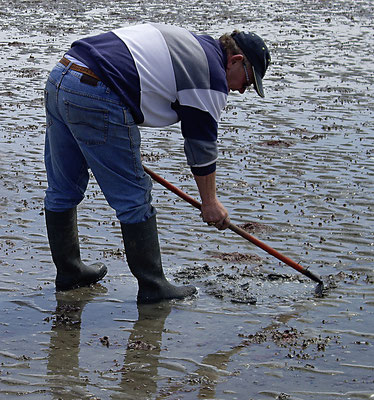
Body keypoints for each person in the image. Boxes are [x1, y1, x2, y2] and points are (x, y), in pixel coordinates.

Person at [43, 23, 271, 303]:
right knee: (134, 196)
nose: (242, 91)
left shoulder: (195, 44)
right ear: (236, 61)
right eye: (247, 82)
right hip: (97, 91)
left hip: (63, 75)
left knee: (63, 186)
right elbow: (200, 144)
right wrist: (210, 202)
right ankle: (153, 287)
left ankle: (69, 272)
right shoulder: (211, 75)